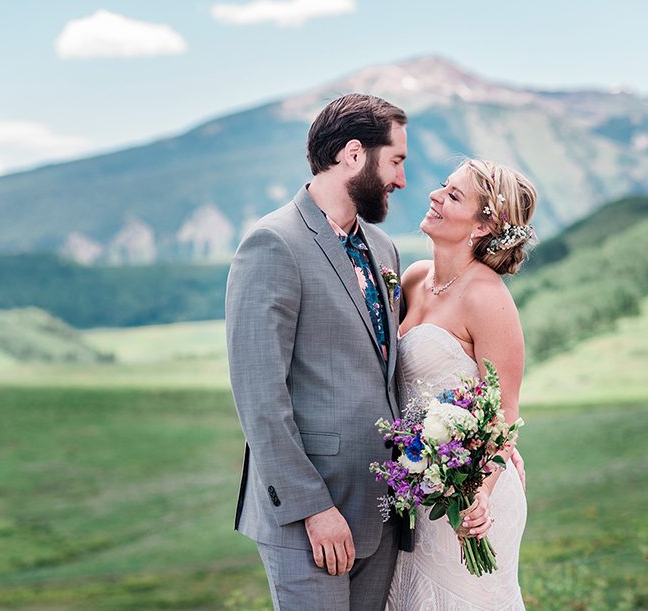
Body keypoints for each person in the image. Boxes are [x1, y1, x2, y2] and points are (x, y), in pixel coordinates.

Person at [227, 92, 466, 610]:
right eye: (397, 161)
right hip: (309, 514)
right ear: (355, 155)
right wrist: (313, 508)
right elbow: (259, 397)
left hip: (381, 510)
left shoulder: (382, 249)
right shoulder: (273, 243)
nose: (402, 180)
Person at [385, 158, 537, 610]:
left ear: (483, 226)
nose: (435, 196)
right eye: (442, 187)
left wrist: (481, 495)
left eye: (454, 197)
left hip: (467, 496)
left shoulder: (487, 298)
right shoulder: (413, 278)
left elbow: (504, 411)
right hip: (420, 488)